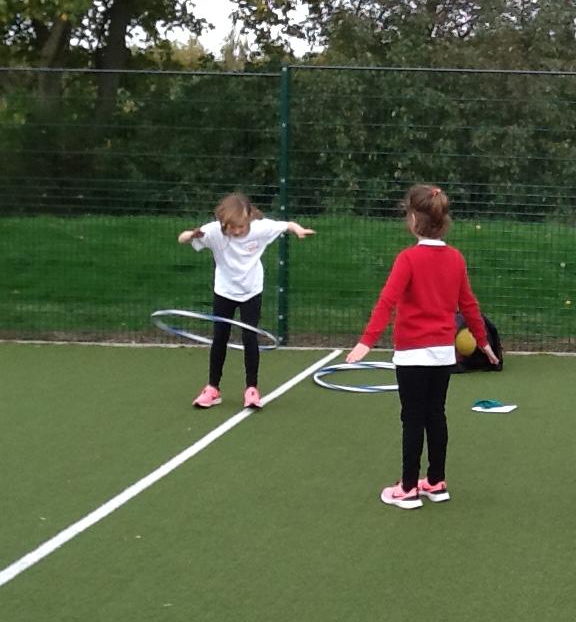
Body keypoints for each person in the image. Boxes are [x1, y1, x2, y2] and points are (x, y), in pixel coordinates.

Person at [345, 185, 498, 510]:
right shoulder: (455, 258)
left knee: (412, 418)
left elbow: (387, 301)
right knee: (435, 415)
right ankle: (436, 482)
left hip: (412, 354)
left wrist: (366, 341)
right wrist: (483, 342)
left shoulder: (408, 259)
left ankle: (408, 488)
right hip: (442, 354)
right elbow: (469, 305)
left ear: (413, 220)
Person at [178, 193, 314, 409]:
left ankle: (251, 389)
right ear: (224, 223)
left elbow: (286, 225)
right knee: (220, 337)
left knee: (249, 336)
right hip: (224, 291)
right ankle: (213, 388)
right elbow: (183, 238)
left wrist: (298, 230)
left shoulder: (260, 228)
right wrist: (188, 235)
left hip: (251, 290)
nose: (237, 231)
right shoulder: (213, 232)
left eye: (241, 226)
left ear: (249, 218)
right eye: (232, 227)